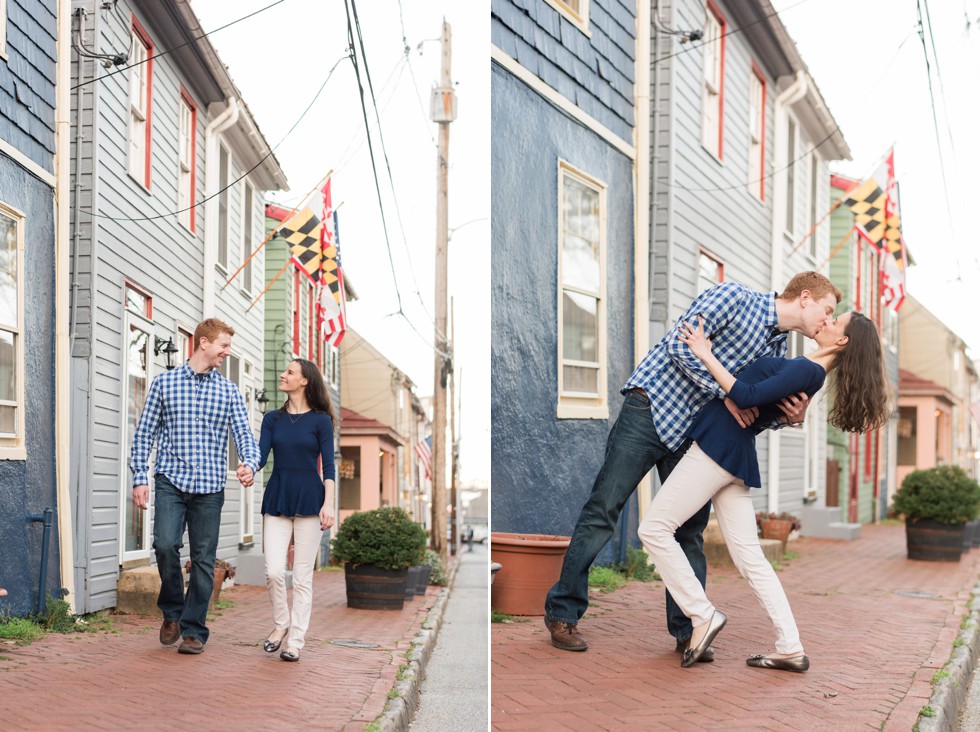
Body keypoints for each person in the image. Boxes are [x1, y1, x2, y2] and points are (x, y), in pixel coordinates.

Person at [544, 272, 842, 654]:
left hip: (695, 436)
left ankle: (691, 630)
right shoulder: (735, 298)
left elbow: (753, 411)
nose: (827, 319)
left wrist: (789, 416)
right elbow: (681, 347)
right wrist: (730, 394)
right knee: (604, 507)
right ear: (805, 297)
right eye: (827, 309)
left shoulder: (779, 351)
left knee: (687, 532)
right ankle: (563, 612)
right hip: (651, 410)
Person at [638, 311, 888, 671]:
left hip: (716, 450)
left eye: (836, 320)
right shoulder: (810, 370)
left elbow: (744, 395)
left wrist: (704, 352)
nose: (827, 320)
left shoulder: (809, 371)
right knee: (750, 557)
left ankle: (702, 614)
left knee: (654, 529)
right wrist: (791, 416)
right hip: (731, 454)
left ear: (843, 340)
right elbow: (764, 405)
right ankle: (790, 646)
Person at [131, 318, 259, 655]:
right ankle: (172, 612)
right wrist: (140, 477)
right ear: (203, 343)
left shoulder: (228, 390)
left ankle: (193, 630)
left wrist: (249, 462)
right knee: (164, 545)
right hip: (171, 480)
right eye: (223, 346)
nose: (226, 353)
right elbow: (145, 434)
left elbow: (244, 433)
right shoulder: (164, 383)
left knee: (203, 560)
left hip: (210, 487)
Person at [258, 358, 336, 662]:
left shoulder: (321, 421)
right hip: (277, 497)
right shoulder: (271, 419)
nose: (283, 374)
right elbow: (261, 457)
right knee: (274, 571)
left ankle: (295, 641)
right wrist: (248, 467)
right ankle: (281, 624)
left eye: (290, 372)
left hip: (310, 501)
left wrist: (328, 504)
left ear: (304, 381)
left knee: (302, 578)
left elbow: (328, 466)